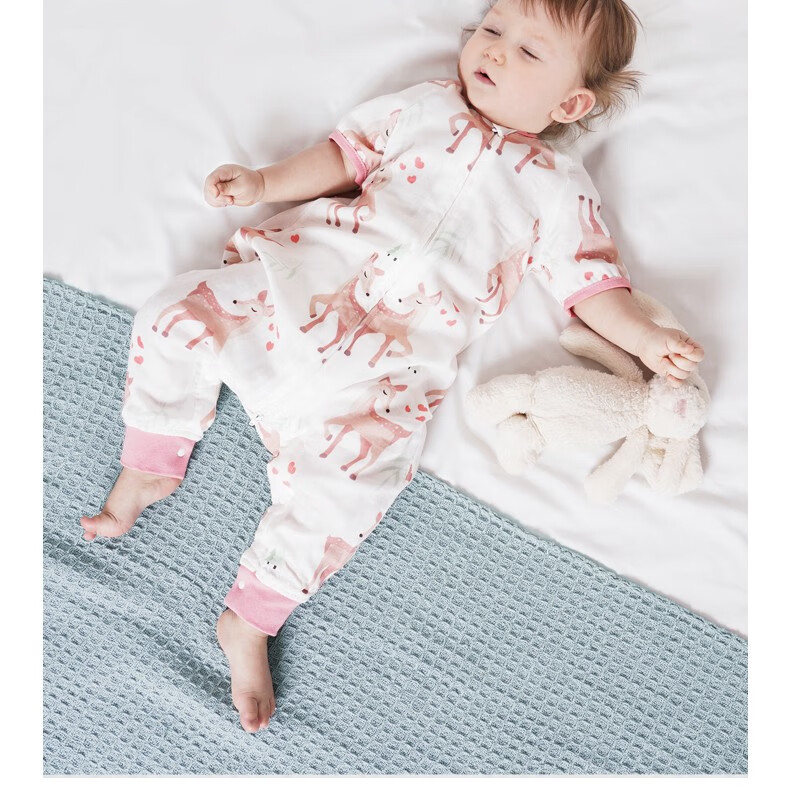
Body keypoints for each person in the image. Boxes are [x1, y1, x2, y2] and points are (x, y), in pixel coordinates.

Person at [81, 0, 705, 733]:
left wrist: (644, 340)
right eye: (492, 28)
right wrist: (263, 183)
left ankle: (251, 615)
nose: (494, 50)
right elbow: (341, 156)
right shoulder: (426, 108)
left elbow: (591, 283)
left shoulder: (557, 189)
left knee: (355, 488)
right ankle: (152, 458)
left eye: (529, 52)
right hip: (296, 291)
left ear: (570, 103)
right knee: (172, 313)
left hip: (385, 377)